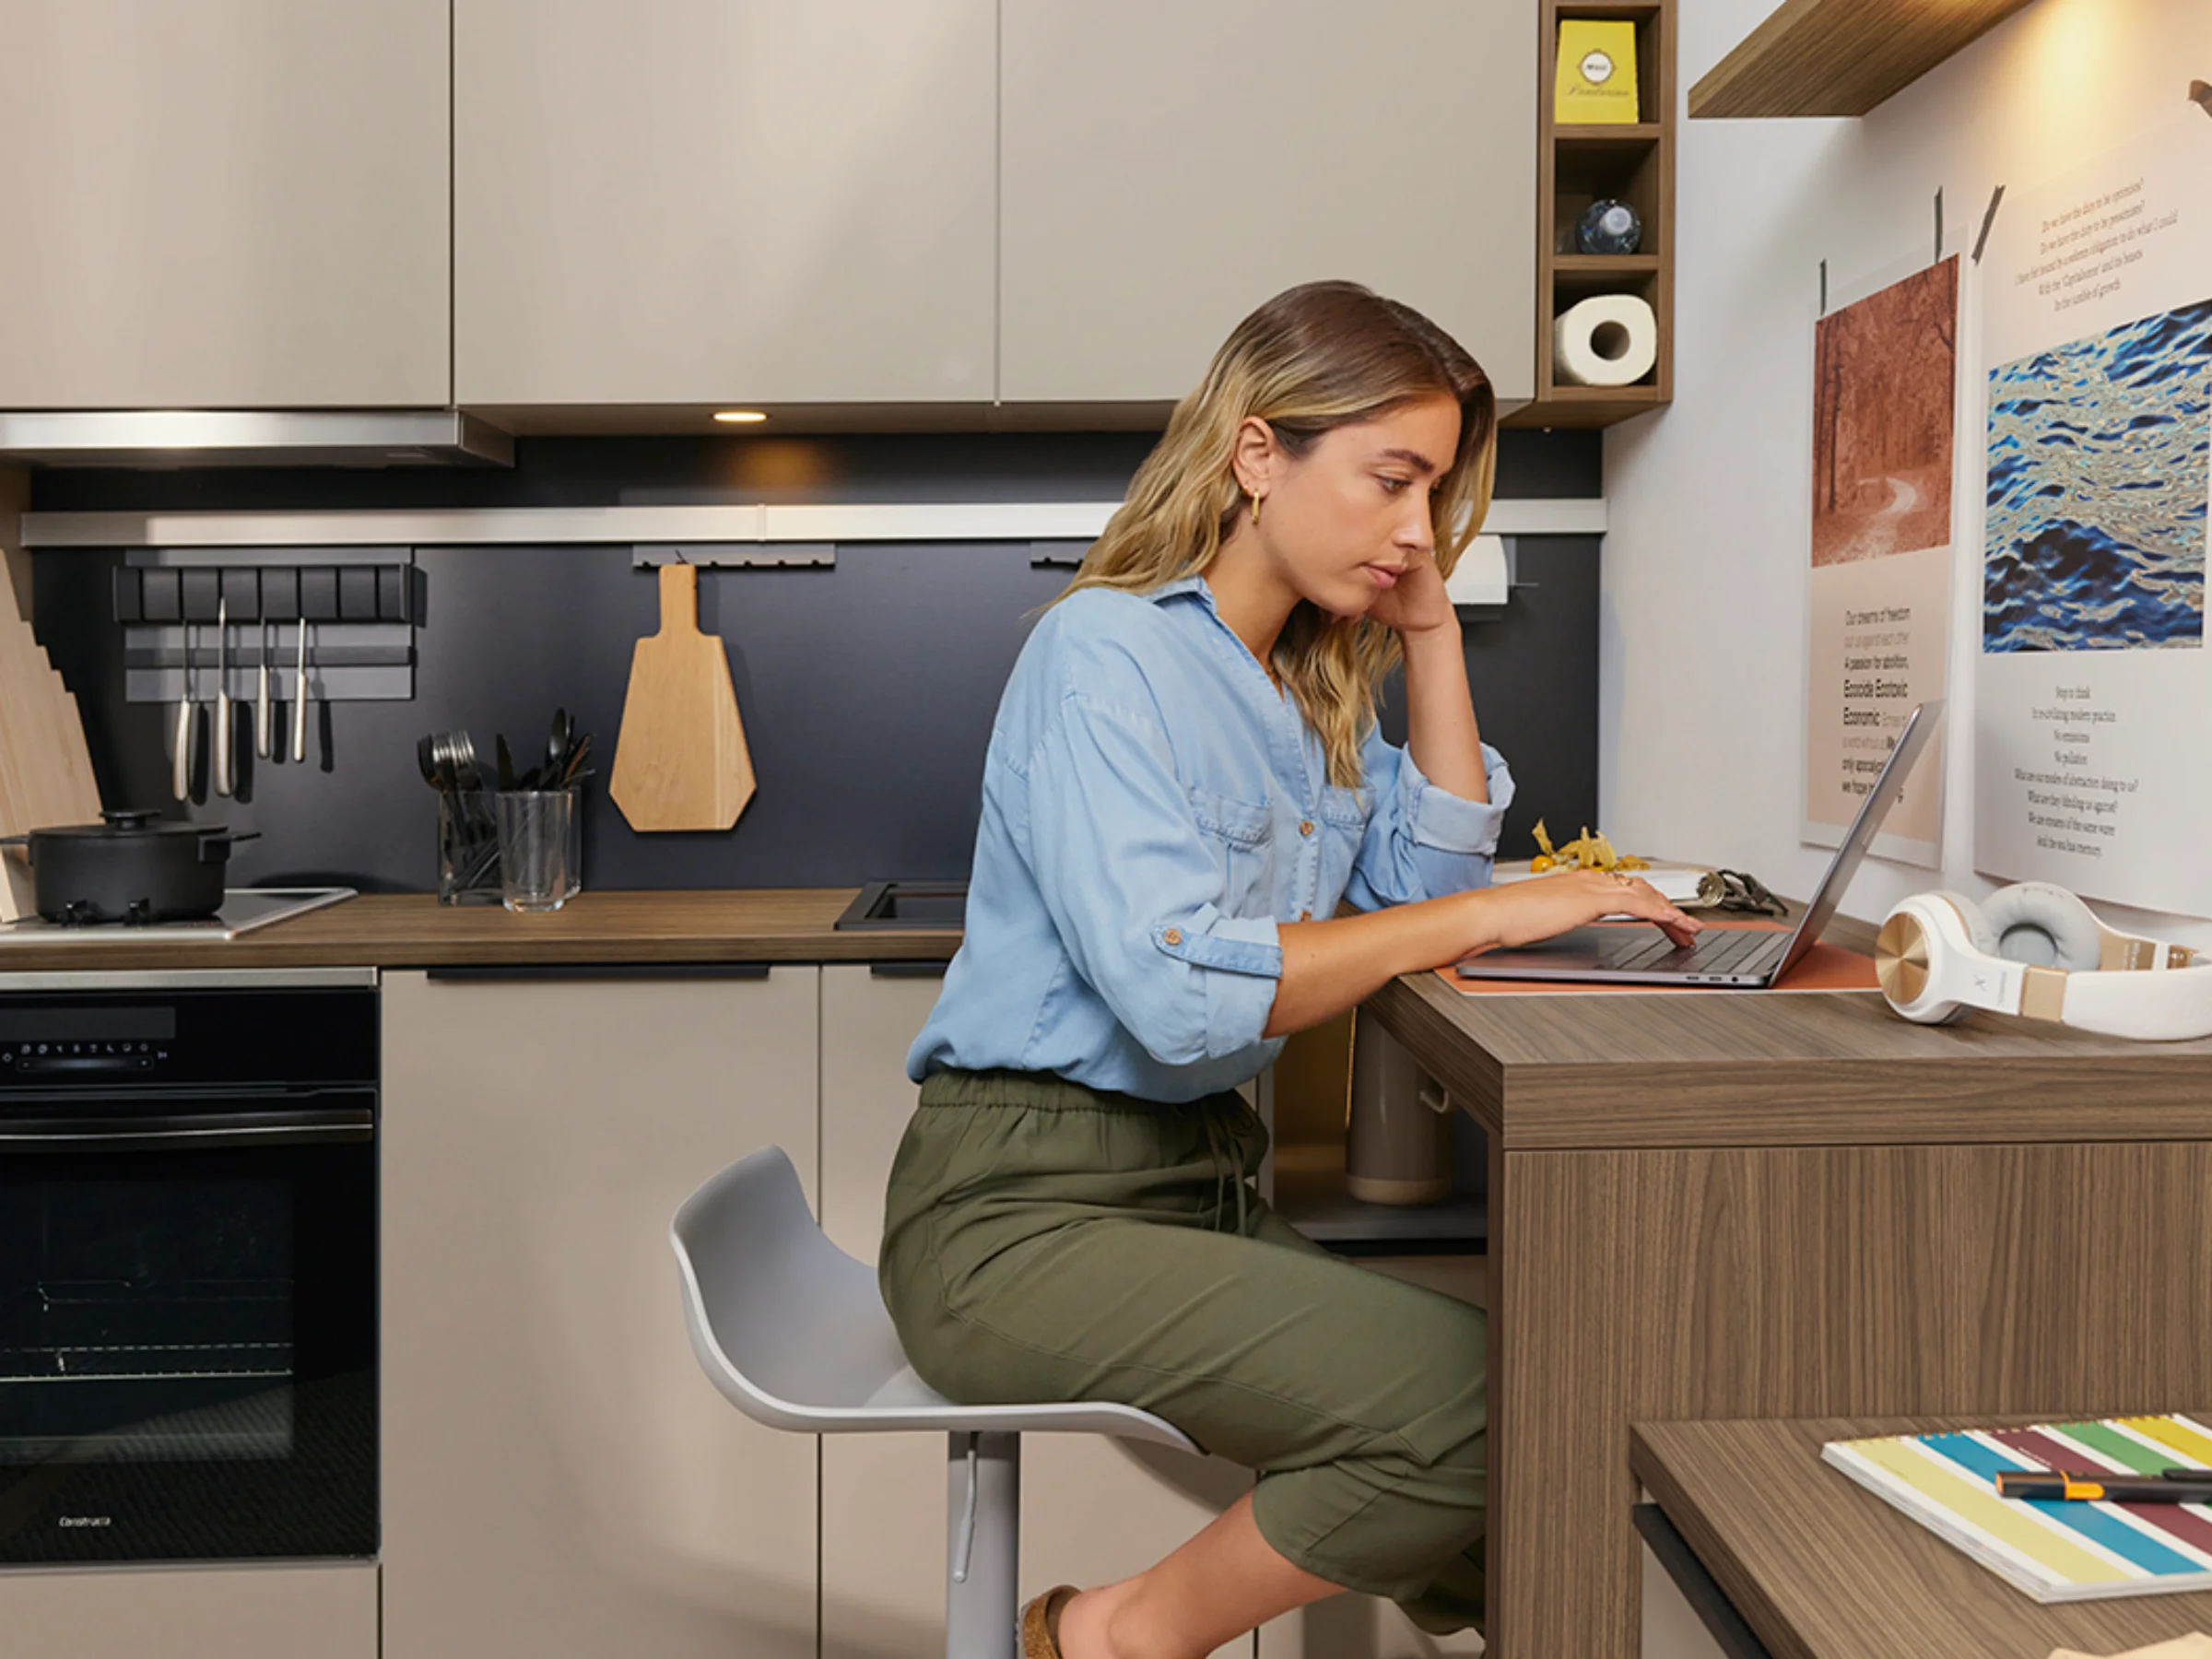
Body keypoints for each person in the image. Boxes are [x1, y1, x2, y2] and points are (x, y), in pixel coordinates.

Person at [879, 280, 1699, 1659]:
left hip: (1194, 1185)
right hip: (1016, 1218)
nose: (1414, 529)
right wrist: (1498, 916)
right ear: (1259, 454)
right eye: (1392, 479)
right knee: (1475, 1410)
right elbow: (1185, 998)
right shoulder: (1107, 652)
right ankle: (1106, 1637)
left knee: (1545, 1464)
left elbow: (1422, 883)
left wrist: (1429, 635)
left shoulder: (1300, 689)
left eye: (1433, 494)